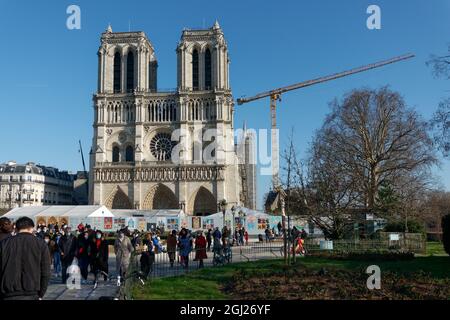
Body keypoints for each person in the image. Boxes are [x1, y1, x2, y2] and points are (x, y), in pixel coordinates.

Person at [0, 217, 50, 300]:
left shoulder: (4, 243)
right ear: (32, 228)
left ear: (16, 228)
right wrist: (41, 293)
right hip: (32, 292)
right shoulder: (40, 244)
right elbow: (46, 272)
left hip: (8, 292)